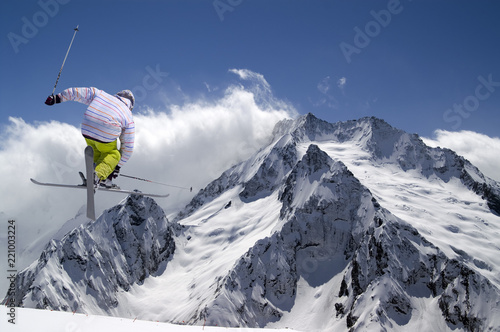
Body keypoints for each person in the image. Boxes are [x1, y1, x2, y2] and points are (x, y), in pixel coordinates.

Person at [45, 87, 135, 188]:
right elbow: (128, 145)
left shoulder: (102, 94)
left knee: (97, 152)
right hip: (106, 132)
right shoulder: (128, 115)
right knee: (113, 154)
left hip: (87, 128)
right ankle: (97, 177)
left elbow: (79, 92)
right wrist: (117, 166)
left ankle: (99, 177)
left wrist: (58, 98)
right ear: (130, 105)